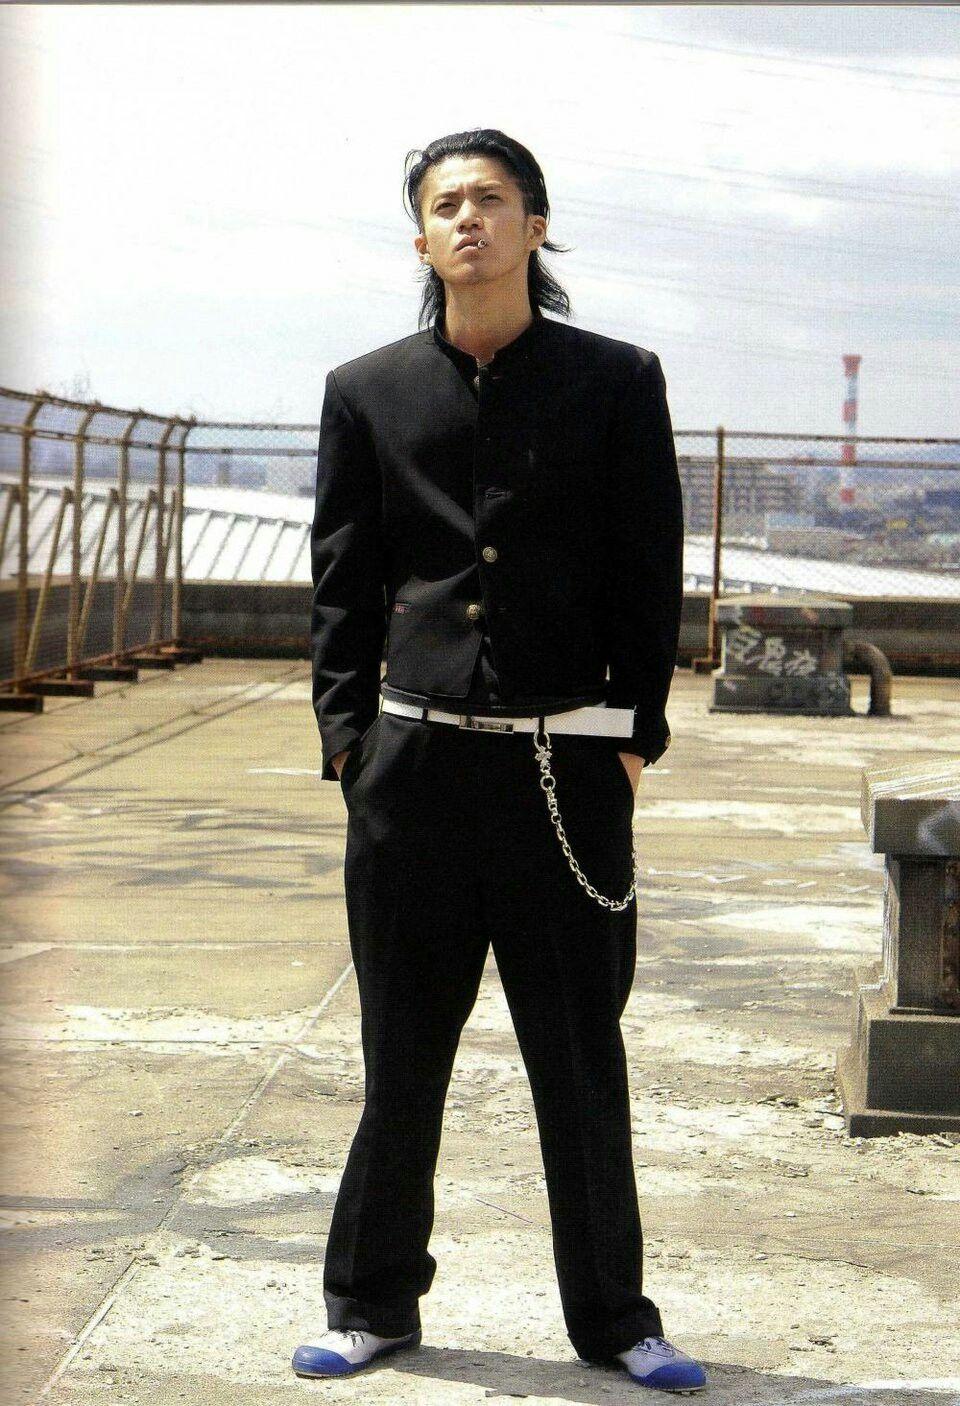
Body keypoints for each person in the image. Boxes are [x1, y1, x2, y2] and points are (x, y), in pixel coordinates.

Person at [293, 128, 704, 1395]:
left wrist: (631, 739)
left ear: (536, 224)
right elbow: (341, 584)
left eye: (492, 199)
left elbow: (649, 571)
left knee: (580, 1059)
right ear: (421, 236)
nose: (468, 218)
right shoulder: (366, 389)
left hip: (566, 772)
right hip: (410, 773)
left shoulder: (616, 380)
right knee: (401, 1054)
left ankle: (617, 1319)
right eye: (445, 203)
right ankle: (371, 1303)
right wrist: (350, 745)